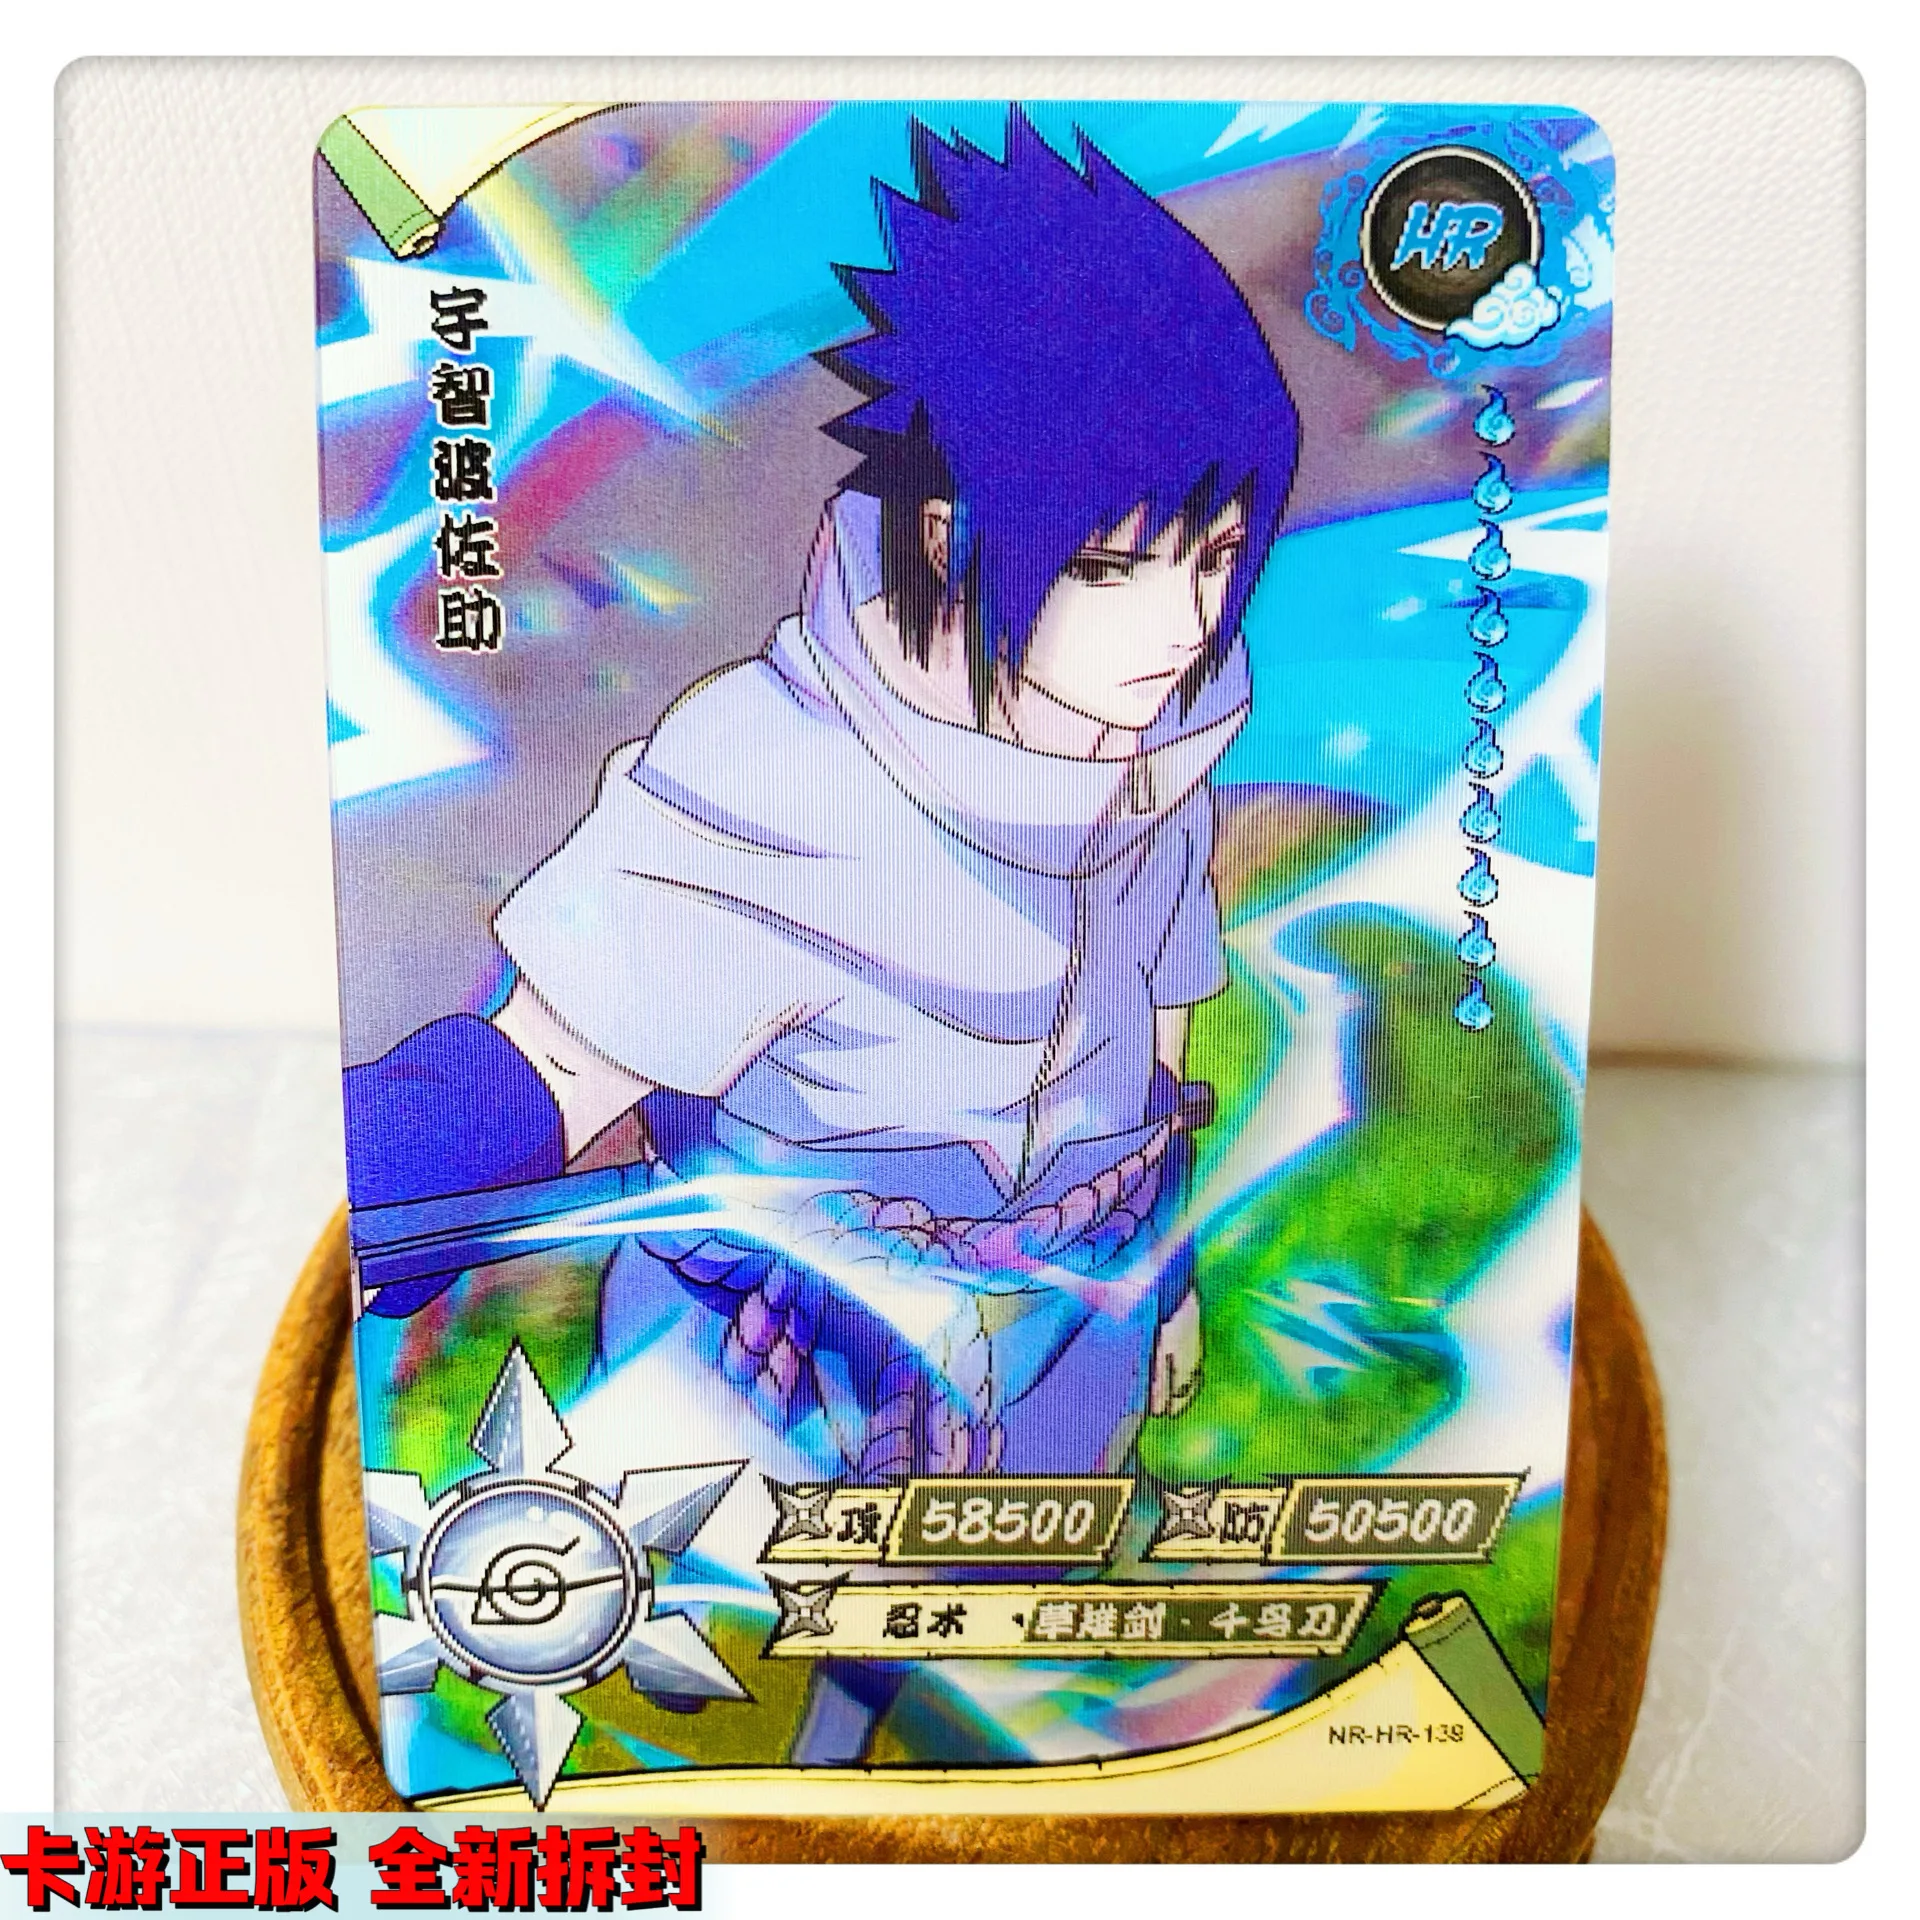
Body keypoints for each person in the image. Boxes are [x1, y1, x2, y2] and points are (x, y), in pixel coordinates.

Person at [342, 107, 1300, 1760]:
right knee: (723, 1695)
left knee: (971, 1672)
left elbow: (1159, 1020)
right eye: (1114, 567)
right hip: (782, 1337)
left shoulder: (1161, 760)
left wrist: (1171, 1265)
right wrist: (397, 1178)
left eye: (1215, 558)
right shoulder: (772, 769)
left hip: (1073, 1304)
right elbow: (548, 1067)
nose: (1185, 624)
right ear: (948, 532)